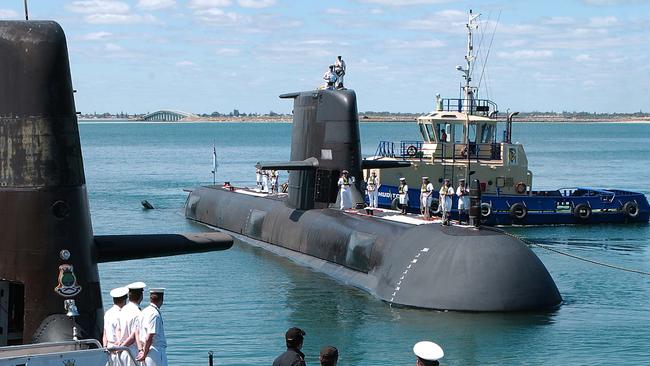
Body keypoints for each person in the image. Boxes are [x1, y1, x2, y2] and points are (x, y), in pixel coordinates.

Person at [117, 281, 146, 366]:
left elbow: (118, 329)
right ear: (141, 296)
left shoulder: (122, 310)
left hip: (122, 352)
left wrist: (120, 344)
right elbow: (133, 336)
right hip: (133, 351)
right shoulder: (138, 313)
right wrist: (121, 347)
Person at [137, 288, 167, 366]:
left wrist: (142, 351)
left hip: (145, 349)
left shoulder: (144, 312)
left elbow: (138, 332)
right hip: (155, 351)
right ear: (162, 299)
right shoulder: (155, 314)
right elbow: (149, 337)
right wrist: (144, 353)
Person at [103, 286, 128, 364]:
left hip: (108, 346)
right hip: (118, 348)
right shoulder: (121, 314)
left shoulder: (108, 313)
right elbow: (120, 331)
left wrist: (105, 347)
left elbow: (105, 333)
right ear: (125, 300)